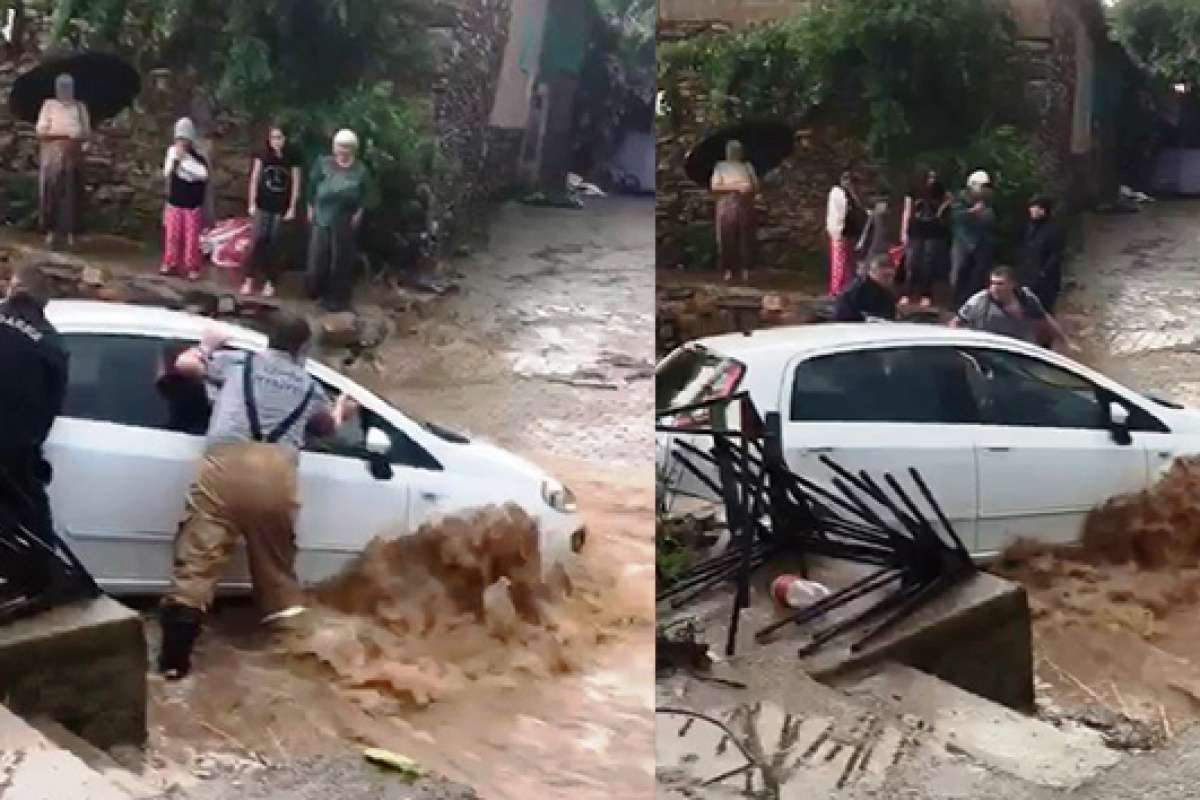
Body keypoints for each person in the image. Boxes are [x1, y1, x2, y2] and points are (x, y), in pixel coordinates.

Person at [157, 314, 359, 680]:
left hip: (224, 466)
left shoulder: (238, 363)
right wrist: (342, 411)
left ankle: (173, 664)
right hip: (275, 474)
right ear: (302, 349)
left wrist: (208, 343)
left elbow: (184, 366)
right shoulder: (310, 386)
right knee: (277, 571)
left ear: (269, 340)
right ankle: (302, 659)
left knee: (198, 564)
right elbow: (325, 428)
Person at [0, 266, 69, 578]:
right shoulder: (52, 346)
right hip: (13, 454)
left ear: (14, 287)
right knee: (31, 531)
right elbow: (49, 410)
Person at [306, 129, 380, 312]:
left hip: (344, 217)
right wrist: (310, 208)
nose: (342, 150)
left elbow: (369, 195)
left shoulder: (360, 170)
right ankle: (315, 293)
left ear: (353, 148)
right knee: (318, 257)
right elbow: (311, 187)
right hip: (322, 214)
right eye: (340, 145)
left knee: (340, 260)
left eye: (347, 146)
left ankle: (337, 299)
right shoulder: (323, 164)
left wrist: (360, 212)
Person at [951, 266, 1076, 350]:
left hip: (1020, 350)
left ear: (1012, 284)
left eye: (1000, 283)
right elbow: (956, 322)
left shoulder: (1025, 298)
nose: (994, 287)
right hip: (989, 350)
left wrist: (1066, 341)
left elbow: (1045, 319)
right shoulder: (980, 300)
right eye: (992, 283)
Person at [242, 123, 302, 298]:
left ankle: (270, 281)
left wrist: (292, 207)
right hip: (262, 204)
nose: (277, 142)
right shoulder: (263, 155)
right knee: (257, 241)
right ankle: (249, 278)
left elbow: (296, 183)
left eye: (280, 138)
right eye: (274, 138)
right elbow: (255, 178)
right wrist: (252, 202)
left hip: (280, 207)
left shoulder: (292, 157)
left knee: (274, 244)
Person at [35, 74, 90, 249]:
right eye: (62, 87)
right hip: (52, 155)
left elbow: (85, 132)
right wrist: (62, 136)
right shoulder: (49, 106)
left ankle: (72, 234)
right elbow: (41, 131)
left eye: (68, 87)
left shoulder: (80, 107)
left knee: (73, 194)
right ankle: (51, 233)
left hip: (73, 155)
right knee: (51, 193)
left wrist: (76, 140)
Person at [161, 118, 210, 281]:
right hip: (174, 202)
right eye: (178, 139)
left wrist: (184, 162)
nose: (181, 143)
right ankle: (170, 263)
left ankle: (192, 267)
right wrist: (176, 161)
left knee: (191, 238)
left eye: (184, 139)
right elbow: (167, 172)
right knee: (172, 235)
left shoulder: (198, 158)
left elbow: (202, 174)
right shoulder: (171, 153)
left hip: (192, 205)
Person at [710, 139, 758, 283]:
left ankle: (746, 269)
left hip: (745, 203)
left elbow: (755, 185)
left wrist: (748, 188)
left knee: (746, 237)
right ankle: (729, 270)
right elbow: (715, 186)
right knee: (727, 237)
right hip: (727, 204)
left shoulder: (747, 166)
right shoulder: (721, 167)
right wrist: (736, 186)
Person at [900, 174, 951, 308]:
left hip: (933, 230)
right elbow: (907, 210)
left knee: (928, 263)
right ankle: (907, 293)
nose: (931, 178)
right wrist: (904, 230)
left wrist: (940, 213)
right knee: (911, 262)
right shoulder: (914, 188)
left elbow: (949, 199)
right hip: (916, 229)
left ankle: (926, 295)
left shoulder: (939, 188)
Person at [950, 170, 996, 308]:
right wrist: (972, 212)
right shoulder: (961, 198)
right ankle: (956, 303)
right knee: (959, 271)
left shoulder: (988, 199)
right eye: (982, 186)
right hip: (963, 240)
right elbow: (955, 216)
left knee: (978, 273)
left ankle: (973, 304)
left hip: (981, 241)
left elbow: (991, 218)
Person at [1019, 195, 1067, 313]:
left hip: (1046, 280)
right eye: (1031, 207)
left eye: (1036, 207)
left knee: (1044, 311)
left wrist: (1043, 272)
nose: (1032, 210)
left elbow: (1056, 254)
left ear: (1044, 210)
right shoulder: (1029, 227)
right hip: (1028, 277)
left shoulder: (1054, 229)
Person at [826, 170, 867, 297]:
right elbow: (837, 214)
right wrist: (837, 231)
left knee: (849, 261)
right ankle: (837, 288)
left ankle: (847, 286)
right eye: (847, 180)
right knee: (839, 261)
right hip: (840, 231)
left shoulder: (852, 195)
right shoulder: (837, 193)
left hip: (851, 232)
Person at [833, 254, 897, 322]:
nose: (889, 279)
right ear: (872, 272)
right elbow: (843, 313)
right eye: (885, 276)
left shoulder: (885, 292)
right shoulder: (858, 289)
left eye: (891, 276)